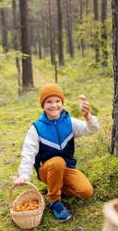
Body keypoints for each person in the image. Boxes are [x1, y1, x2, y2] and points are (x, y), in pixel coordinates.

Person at [13, 84, 100, 221]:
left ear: (62, 103)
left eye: (57, 101)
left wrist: (88, 117)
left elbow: (92, 130)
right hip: (46, 170)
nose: (54, 105)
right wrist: (24, 174)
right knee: (57, 161)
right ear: (43, 105)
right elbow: (28, 153)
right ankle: (54, 201)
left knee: (86, 192)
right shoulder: (37, 128)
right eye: (49, 102)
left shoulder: (70, 122)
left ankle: (57, 185)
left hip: (67, 168)